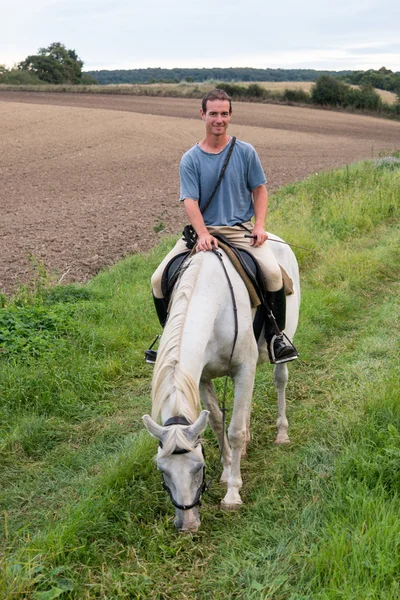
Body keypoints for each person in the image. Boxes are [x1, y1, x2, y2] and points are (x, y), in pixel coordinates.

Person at [146, 89, 297, 364]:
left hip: (239, 231)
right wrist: (202, 234)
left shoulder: (246, 152)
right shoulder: (190, 158)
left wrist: (260, 225)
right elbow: (190, 200)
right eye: (213, 113)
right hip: (202, 233)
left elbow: (260, 191)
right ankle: (169, 338)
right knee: (157, 280)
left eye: (224, 114)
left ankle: (277, 338)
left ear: (230, 116)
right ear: (203, 114)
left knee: (274, 275)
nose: (219, 119)